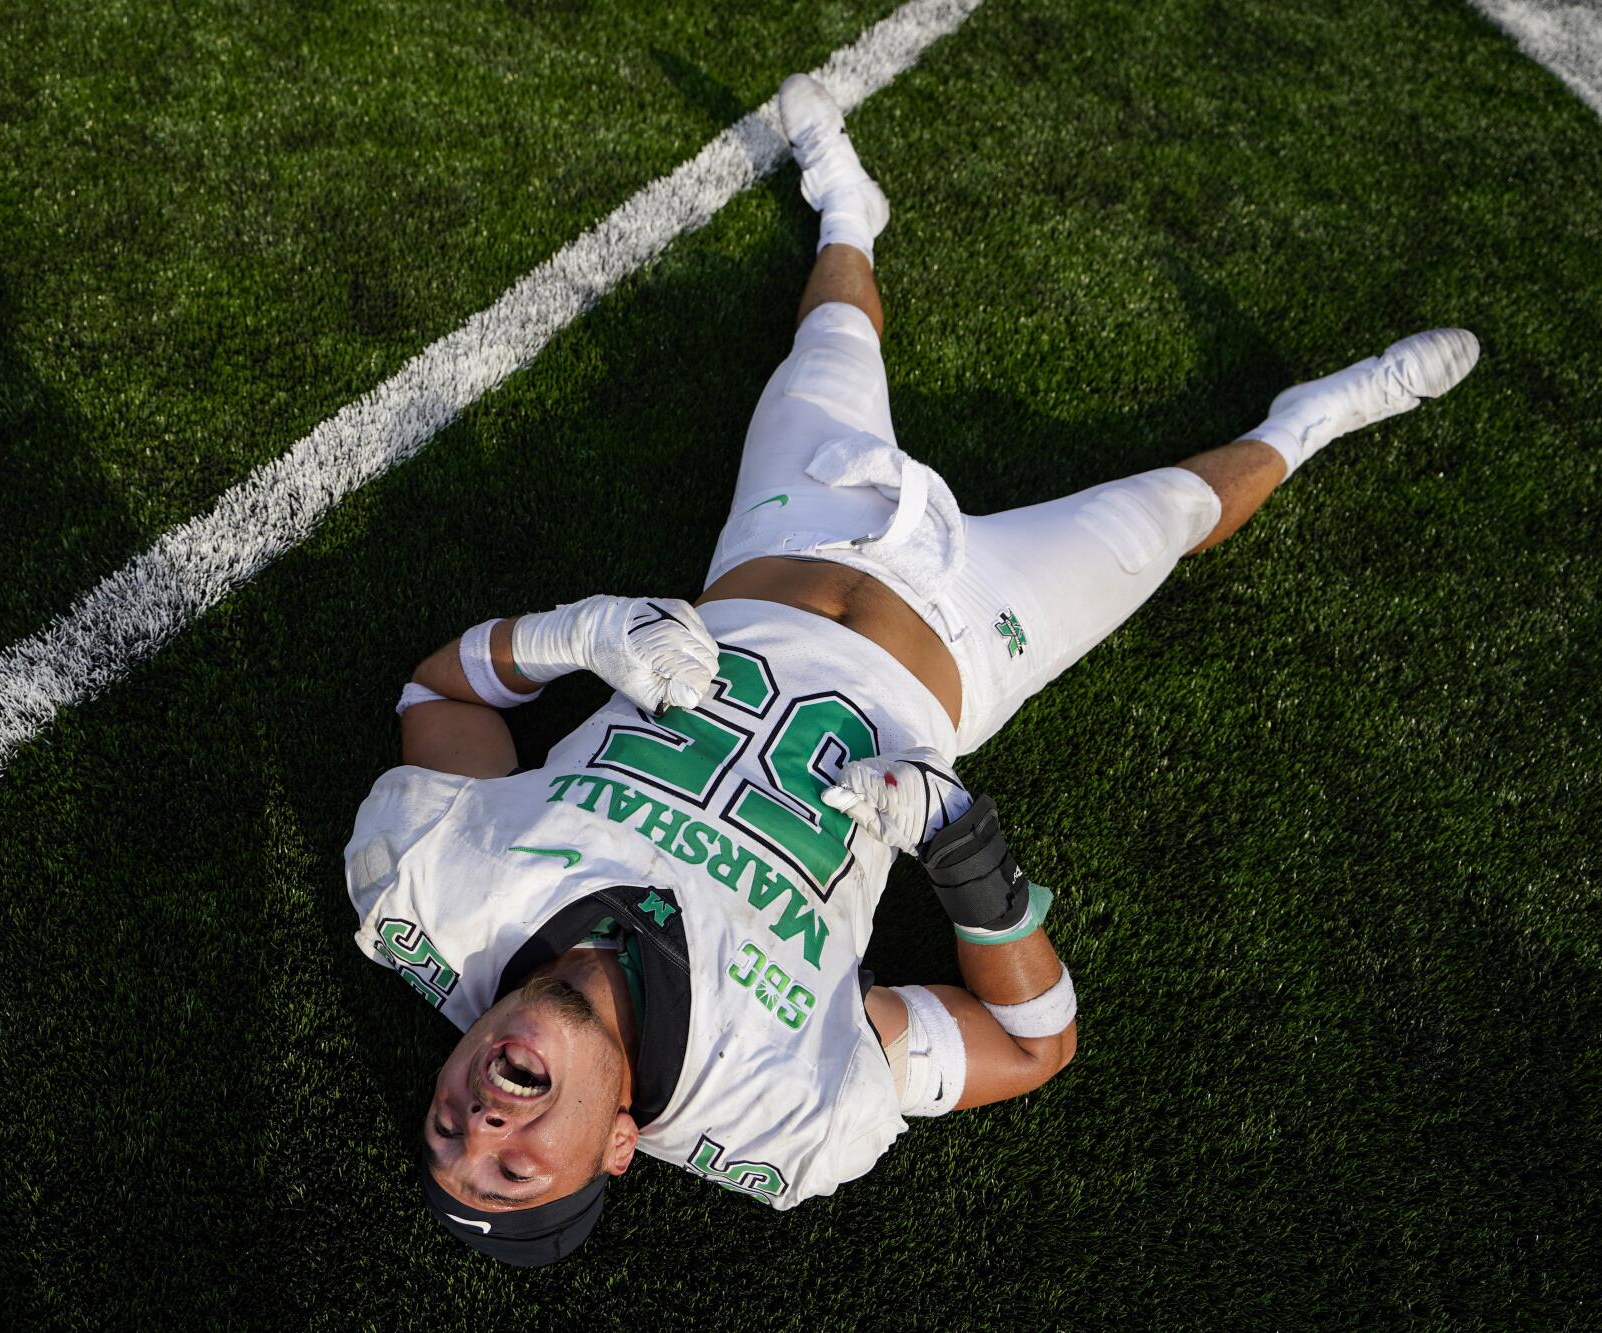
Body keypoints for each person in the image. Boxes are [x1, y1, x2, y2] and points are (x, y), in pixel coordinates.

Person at [343, 73, 1479, 1267]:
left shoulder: (427, 899)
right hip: (968, 646)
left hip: (773, 550)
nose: (479, 1123)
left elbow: (441, 694)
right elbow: (1032, 1044)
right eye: (515, 1165)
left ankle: (845, 213)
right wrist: (963, 852)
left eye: (443, 1128)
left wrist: (577, 635)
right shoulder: (775, 1114)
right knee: (1171, 513)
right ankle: (1315, 418)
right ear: (618, 1144)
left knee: (831, 335)